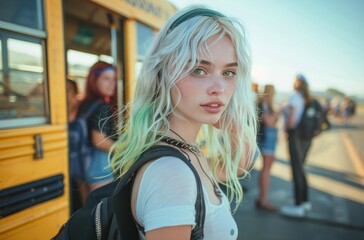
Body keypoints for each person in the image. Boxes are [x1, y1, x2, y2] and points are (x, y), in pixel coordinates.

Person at [110, 6, 258, 240]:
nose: (218, 89)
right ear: (163, 74)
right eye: (199, 70)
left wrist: (233, 124)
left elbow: (236, 166)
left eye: (228, 73)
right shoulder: (172, 173)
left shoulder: (188, 152)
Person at [77, 61, 117, 194]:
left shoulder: (84, 104)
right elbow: (100, 141)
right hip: (99, 164)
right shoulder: (102, 106)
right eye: (106, 79)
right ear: (94, 80)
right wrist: (125, 149)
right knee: (100, 210)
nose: (112, 83)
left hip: (82, 162)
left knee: (88, 210)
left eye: (114, 79)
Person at [281, 74, 313, 217]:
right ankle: (305, 202)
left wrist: (286, 130)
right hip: (305, 137)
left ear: (297, 83)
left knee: (296, 170)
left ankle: (298, 206)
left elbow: (292, 120)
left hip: (295, 135)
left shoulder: (295, 97)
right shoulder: (305, 98)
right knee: (301, 168)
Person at [256, 84, 280, 211]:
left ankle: (262, 198)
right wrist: (278, 112)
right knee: (266, 168)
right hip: (267, 138)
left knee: (267, 167)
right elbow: (269, 121)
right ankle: (263, 200)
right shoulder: (263, 103)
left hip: (269, 138)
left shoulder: (265, 103)